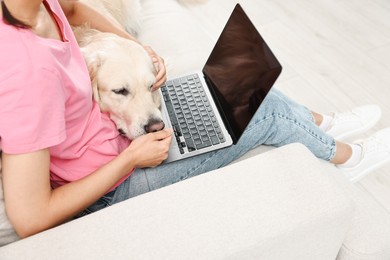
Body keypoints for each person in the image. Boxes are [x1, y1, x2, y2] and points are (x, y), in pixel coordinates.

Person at [1, 0, 390, 238]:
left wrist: (138, 50)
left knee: (241, 75)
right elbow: (32, 218)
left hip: (114, 136)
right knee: (264, 112)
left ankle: (322, 124)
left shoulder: (33, 5)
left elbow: (71, 8)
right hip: (110, 183)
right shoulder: (26, 71)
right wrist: (131, 159)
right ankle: (349, 158)